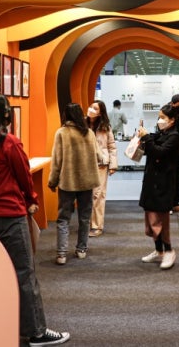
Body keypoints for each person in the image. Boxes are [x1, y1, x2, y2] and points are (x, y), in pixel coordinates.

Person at [0, 92, 70, 346]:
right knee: (24, 274)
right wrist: (32, 199)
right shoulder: (10, 143)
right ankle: (36, 332)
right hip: (10, 217)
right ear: (3, 114)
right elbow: (25, 177)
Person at [48, 103, 102, 265]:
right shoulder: (89, 133)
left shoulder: (62, 133)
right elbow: (99, 156)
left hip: (68, 182)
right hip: (87, 182)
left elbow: (56, 161)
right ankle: (81, 249)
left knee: (63, 219)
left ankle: (61, 254)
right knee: (85, 218)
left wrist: (52, 181)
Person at [137, 102, 179, 269]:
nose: (160, 120)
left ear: (172, 120)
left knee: (161, 221)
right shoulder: (160, 134)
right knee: (151, 219)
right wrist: (142, 139)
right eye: (159, 117)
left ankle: (169, 250)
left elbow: (159, 152)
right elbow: (150, 149)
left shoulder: (175, 137)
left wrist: (146, 138)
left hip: (163, 184)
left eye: (163, 117)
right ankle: (159, 250)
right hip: (151, 182)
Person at [86, 100, 118, 237]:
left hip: (101, 164)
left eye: (95, 108)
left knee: (98, 195)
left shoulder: (105, 127)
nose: (91, 109)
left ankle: (97, 226)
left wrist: (113, 165)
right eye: (91, 106)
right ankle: (88, 224)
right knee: (87, 196)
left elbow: (112, 146)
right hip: (85, 164)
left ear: (100, 113)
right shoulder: (83, 124)